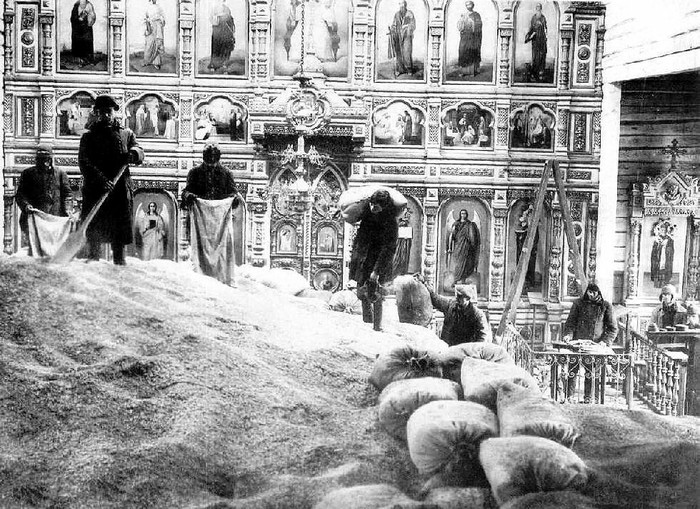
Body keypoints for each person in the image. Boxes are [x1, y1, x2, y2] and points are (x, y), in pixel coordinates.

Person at [79, 95, 144, 265]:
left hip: (119, 189)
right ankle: (94, 260)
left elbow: (138, 149)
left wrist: (134, 153)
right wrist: (101, 180)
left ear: (114, 112)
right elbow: (84, 162)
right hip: (96, 189)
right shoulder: (89, 136)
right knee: (95, 228)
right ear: (97, 113)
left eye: (109, 112)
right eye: (102, 112)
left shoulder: (126, 133)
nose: (106, 115)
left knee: (119, 230)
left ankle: (119, 262)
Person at [181, 144, 240, 285]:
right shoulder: (195, 172)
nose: (211, 162)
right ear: (204, 157)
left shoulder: (226, 173)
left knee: (222, 251)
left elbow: (233, 193)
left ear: (218, 158)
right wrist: (189, 196)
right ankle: (200, 279)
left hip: (219, 222)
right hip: (200, 221)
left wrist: (235, 198)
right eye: (209, 158)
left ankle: (221, 279)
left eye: (214, 158)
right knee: (199, 250)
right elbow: (185, 192)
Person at [349, 189, 399, 332]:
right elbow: (360, 238)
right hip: (364, 260)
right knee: (361, 293)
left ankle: (377, 327)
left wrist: (376, 271)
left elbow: (388, 249)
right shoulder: (368, 215)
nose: (373, 208)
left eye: (376, 206)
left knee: (376, 294)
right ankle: (367, 322)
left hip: (379, 261)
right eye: (372, 205)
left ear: (384, 207)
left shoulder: (391, 222)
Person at [562, 283, 618, 402]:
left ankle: (589, 399)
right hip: (578, 346)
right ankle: (569, 397)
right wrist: (568, 335)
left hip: (595, 347)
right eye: (589, 292)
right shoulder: (578, 304)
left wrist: (605, 342)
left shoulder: (606, 306)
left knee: (592, 374)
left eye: (594, 292)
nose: (591, 295)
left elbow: (613, 328)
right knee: (572, 372)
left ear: (599, 293)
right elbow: (570, 323)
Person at [15, 145, 73, 256]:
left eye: (46, 159)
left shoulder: (60, 174)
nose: (43, 162)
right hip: (35, 219)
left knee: (54, 250)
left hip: (55, 219)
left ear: (51, 160)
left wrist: (68, 210)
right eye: (40, 159)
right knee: (36, 251)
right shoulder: (28, 174)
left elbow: (68, 195)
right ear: (36, 160)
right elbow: (20, 195)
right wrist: (26, 206)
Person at [415, 276, 491, 345]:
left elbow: (483, 336)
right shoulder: (450, 306)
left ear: (468, 299)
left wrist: (475, 351)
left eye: (460, 297)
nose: (457, 298)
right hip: (448, 348)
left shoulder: (477, 314)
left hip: (466, 351)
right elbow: (435, 298)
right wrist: (424, 283)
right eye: (457, 296)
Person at [448, 209, 481, 285]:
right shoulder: (456, 224)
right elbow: (452, 235)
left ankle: (463, 280)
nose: (463, 215)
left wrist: (473, 245)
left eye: (465, 213)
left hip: (467, 247)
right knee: (458, 264)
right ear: (460, 214)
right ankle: (455, 280)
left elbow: (472, 236)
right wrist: (450, 247)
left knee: (466, 264)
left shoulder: (470, 224)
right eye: (462, 213)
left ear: (467, 215)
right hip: (458, 246)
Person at [388, 0, 416, 77]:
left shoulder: (410, 14)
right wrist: (392, 29)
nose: (401, 6)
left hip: (407, 35)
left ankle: (409, 69)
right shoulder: (396, 14)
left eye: (403, 4)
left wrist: (407, 27)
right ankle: (399, 69)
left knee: (407, 52)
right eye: (400, 4)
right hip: (398, 36)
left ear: (405, 5)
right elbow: (394, 24)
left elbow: (413, 25)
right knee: (399, 53)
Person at [457, 0, 482, 77]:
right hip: (465, 37)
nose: (468, 6)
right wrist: (461, 23)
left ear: (472, 5)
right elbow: (459, 26)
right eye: (467, 5)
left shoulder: (476, 15)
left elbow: (479, 25)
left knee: (472, 51)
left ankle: (472, 72)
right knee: (463, 51)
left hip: (473, 37)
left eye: (470, 4)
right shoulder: (463, 15)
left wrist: (473, 24)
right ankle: (462, 71)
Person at [209, 0, 235, 71]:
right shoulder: (214, 8)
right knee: (216, 47)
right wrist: (218, 17)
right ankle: (214, 65)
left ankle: (224, 63)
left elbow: (229, 18)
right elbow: (211, 19)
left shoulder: (226, 8)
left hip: (225, 31)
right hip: (217, 31)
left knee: (225, 47)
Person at [524, 3, 548, 81]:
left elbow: (545, 28)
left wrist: (546, 36)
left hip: (542, 40)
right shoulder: (534, 17)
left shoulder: (543, 17)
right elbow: (532, 27)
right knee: (535, 57)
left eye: (539, 7)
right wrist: (530, 35)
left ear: (541, 8)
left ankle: (541, 73)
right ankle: (534, 73)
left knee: (542, 56)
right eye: (537, 7)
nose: (538, 8)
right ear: (536, 8)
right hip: (535, 40)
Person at [70, 0, 96, 65]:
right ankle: (81, 61)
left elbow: (93, 16)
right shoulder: (76, 5)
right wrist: (78, 19)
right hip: (79, 28)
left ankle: (89, 60)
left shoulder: (89, 5)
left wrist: (89, 18)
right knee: (80, 43)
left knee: (88, 42)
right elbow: (73, 18)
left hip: (87, 28)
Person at [143, 0, 166, 70]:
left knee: (157, 43)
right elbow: (146, 17)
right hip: (151, 27)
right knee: (149, 43)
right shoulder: (148, 8)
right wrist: (148, 23)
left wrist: (160, 21)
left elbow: (163, 19)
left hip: (158, 27)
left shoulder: (159, 8)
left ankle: (156, 63)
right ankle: (147, 61)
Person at [651, 221, 674, 288]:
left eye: (664, 230)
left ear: (666, 230)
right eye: (662, 229)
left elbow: (671, 249)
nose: (663, 231)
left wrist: (666, 246)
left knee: (664, 269)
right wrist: (658, 245)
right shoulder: (657, 238)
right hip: (658, 257)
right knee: (657, 269)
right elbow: (654, 250)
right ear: (660, 230)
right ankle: (657, 284)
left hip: (665, 257)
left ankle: (665, 283)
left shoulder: (669, 239)